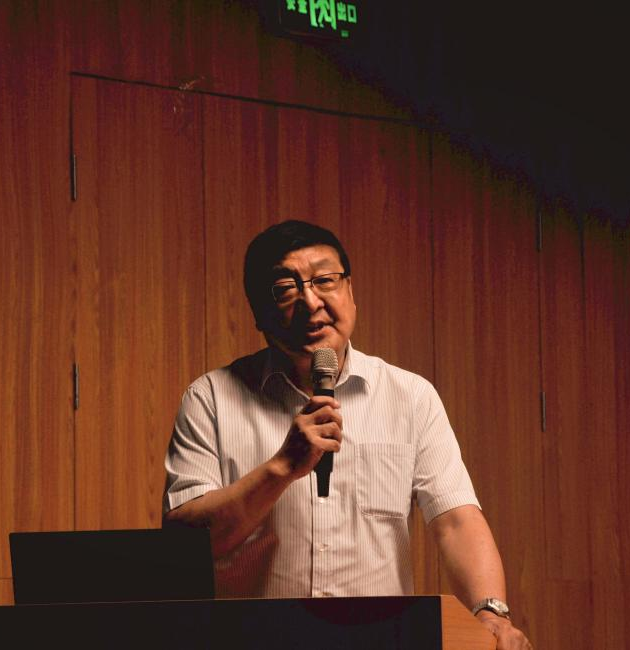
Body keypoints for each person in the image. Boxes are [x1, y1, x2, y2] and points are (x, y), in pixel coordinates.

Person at [164, 220, 532, 649]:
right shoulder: (210, 398)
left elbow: (456, 521)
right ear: (259, 312)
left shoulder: (410, 396)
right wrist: (281, 469)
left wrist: (491, 611)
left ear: (350, 292)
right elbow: (182, 547)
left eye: (325, 280)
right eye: (285, 289)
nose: (311, 301)